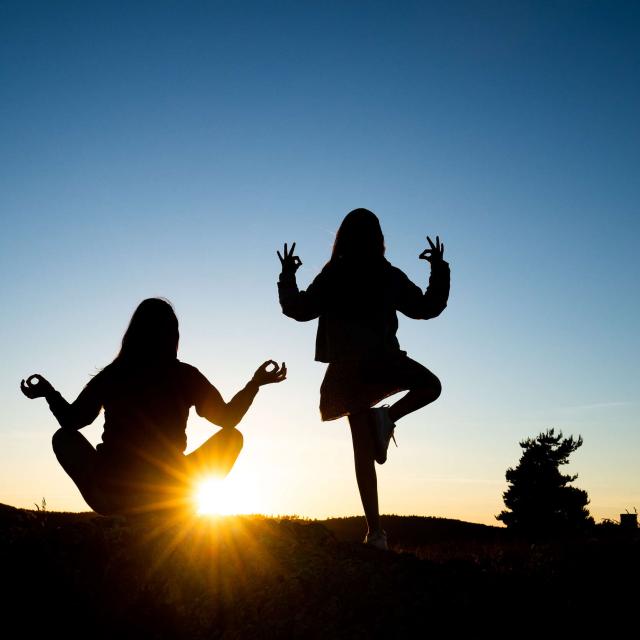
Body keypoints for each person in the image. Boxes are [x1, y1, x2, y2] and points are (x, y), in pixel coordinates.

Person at [277, 208, 450, 550]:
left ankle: (376, 533)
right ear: (378, 239)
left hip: (346, 371)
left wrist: (287, 275)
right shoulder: (385, 274)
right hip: (380, 361)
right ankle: (386, 418)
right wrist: (439, 268)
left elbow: (298, 309)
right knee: (431, 386)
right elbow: (427, 307)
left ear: (342, 237)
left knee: (362, 452)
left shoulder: (334, 274)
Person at [20, 297, 286, 517]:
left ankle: (108, 500)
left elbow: (73, 421)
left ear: (133, 332)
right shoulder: (184, 375)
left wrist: (48, 393)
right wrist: (255, 383)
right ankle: (173, 504)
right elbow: (228, 418)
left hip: (112, 487)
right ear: (172, 335)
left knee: (63, 438)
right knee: (232, 438)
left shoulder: (114, 374)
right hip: (169, 489)